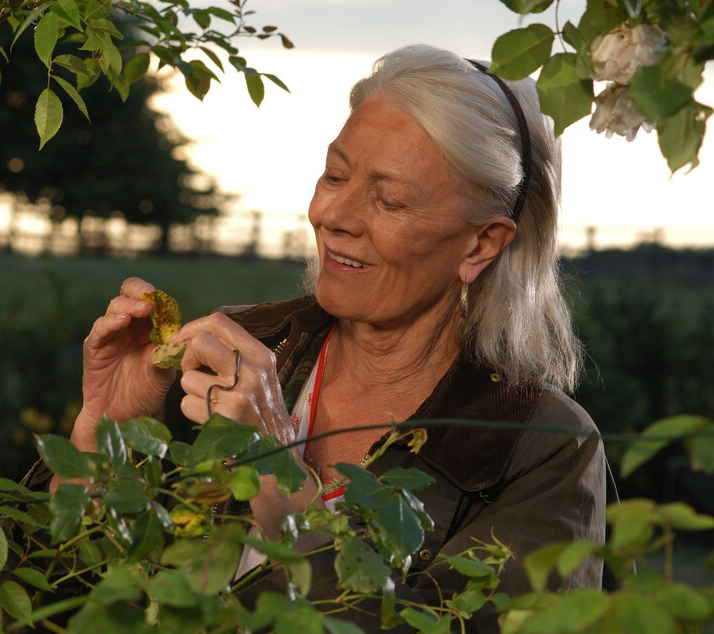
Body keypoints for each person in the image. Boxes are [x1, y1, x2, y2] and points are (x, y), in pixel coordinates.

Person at [53, 44, 609, 632]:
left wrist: (290, 508)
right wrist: (102, 435)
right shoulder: (227, 354)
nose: (333, 214)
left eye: (389, 199)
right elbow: (54, 602)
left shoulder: (543, 448)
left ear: (480, 245)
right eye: (334, 175)